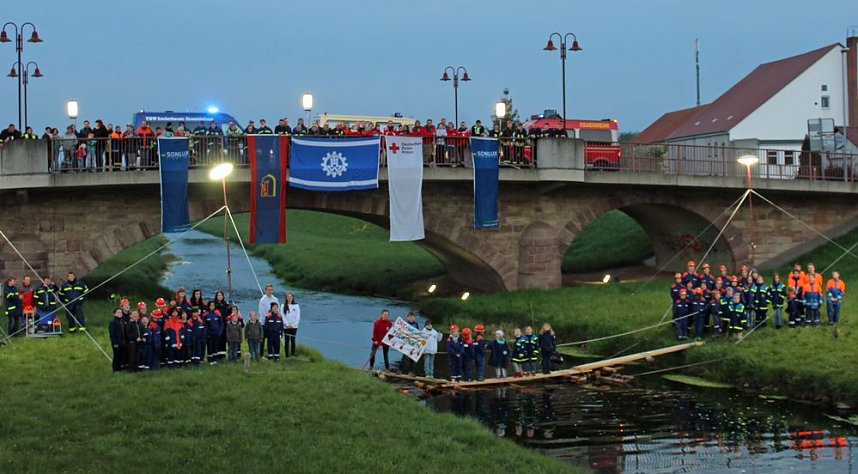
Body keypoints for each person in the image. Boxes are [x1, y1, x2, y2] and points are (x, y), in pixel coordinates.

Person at [283, 292, 300, 357]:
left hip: (294, 326)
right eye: (288, 297)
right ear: (286, 298)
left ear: (292, 298)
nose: (289, 298)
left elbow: (298, 316)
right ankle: (287, 355)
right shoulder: (283, 306)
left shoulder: (296, 306)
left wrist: (294, 324)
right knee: (286, 341)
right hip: (286, 326)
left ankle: (293, 354)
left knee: (293, 340)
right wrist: (287, 324)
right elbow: (283, 316)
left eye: (290, 297)